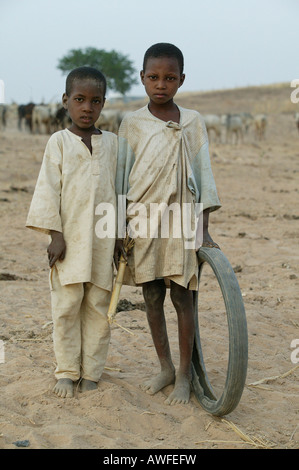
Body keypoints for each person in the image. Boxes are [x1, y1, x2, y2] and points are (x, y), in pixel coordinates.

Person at [115, 43, 221, 405]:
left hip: (182, 219)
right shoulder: (131, 122)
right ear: (142, 78)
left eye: (170, 77)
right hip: (142, 219)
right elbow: (121, 177)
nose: (161, 84)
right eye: (154, 77)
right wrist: (119, 226)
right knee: (152, 295)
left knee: (182, 295)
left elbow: (204, 175)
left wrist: (203, 230)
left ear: (181, 80)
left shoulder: (192, 120)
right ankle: (165, 366)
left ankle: (185, 375)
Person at [26, 67, 117, 398]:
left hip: (104, 245)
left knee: (99, 308)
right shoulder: (59, 143)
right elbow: (49, 190)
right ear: (66, 101)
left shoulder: (114, 145)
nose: (87, 108)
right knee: (66, 308)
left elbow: (120, 192)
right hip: (69, 244)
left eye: (95, 101)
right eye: (79, 99)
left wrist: (121, 236)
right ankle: (66, 371)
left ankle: (91, 372)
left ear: (104, 104)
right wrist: (56, 235)